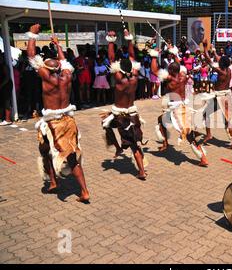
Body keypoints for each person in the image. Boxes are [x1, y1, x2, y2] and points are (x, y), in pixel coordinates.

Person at [26, 24, 90, 202]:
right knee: (44, 149)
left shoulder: (46, 77)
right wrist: (58, 46)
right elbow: (66, 63)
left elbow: (31, 56)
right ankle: (53, 182)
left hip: (54, 124)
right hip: (68, 120)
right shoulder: (67, 75)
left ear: (46, 68)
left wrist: (33, 34)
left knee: (70, 158)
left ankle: (84, 191)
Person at [150, 45, 209, 167]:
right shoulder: (183, 76)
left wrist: (154, 56)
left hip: (176, 110)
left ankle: (203, 158)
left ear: (171, 71)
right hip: (182, 107)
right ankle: (165, 143)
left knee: (188, 135)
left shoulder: (170, 79)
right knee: (161, 119)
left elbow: (154, 71)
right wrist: (175, 53)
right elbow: (179, 64)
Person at [101, 29, 148, 180]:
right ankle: (137, 166)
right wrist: (129, 40)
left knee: (107, 125)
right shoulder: (134, 78)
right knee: (107, 124)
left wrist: (111, 41)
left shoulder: (120, 80)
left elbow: (111, 58)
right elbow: (132, 57)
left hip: (120, 115)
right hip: (133, 113)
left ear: (120, 69)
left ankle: (119, 149)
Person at [201, 39, 232, 149]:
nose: (219, 60)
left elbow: (208, 61)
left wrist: (205, 48)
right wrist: (214, 50)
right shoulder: (229, 69)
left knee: (206, 114)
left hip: (220, 97)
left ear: (221, 64)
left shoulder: (221, 72)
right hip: (225, 96)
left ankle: (209, 134)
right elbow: (218, 59)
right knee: (227, 121)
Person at [0, 52, 13, 126]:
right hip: (2, 85)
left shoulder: (5, 66)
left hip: (6, 85)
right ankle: (2, 118)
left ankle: (8, 119)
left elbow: (7, 78)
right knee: (1, 102)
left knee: (7, 102)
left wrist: (1, 85)